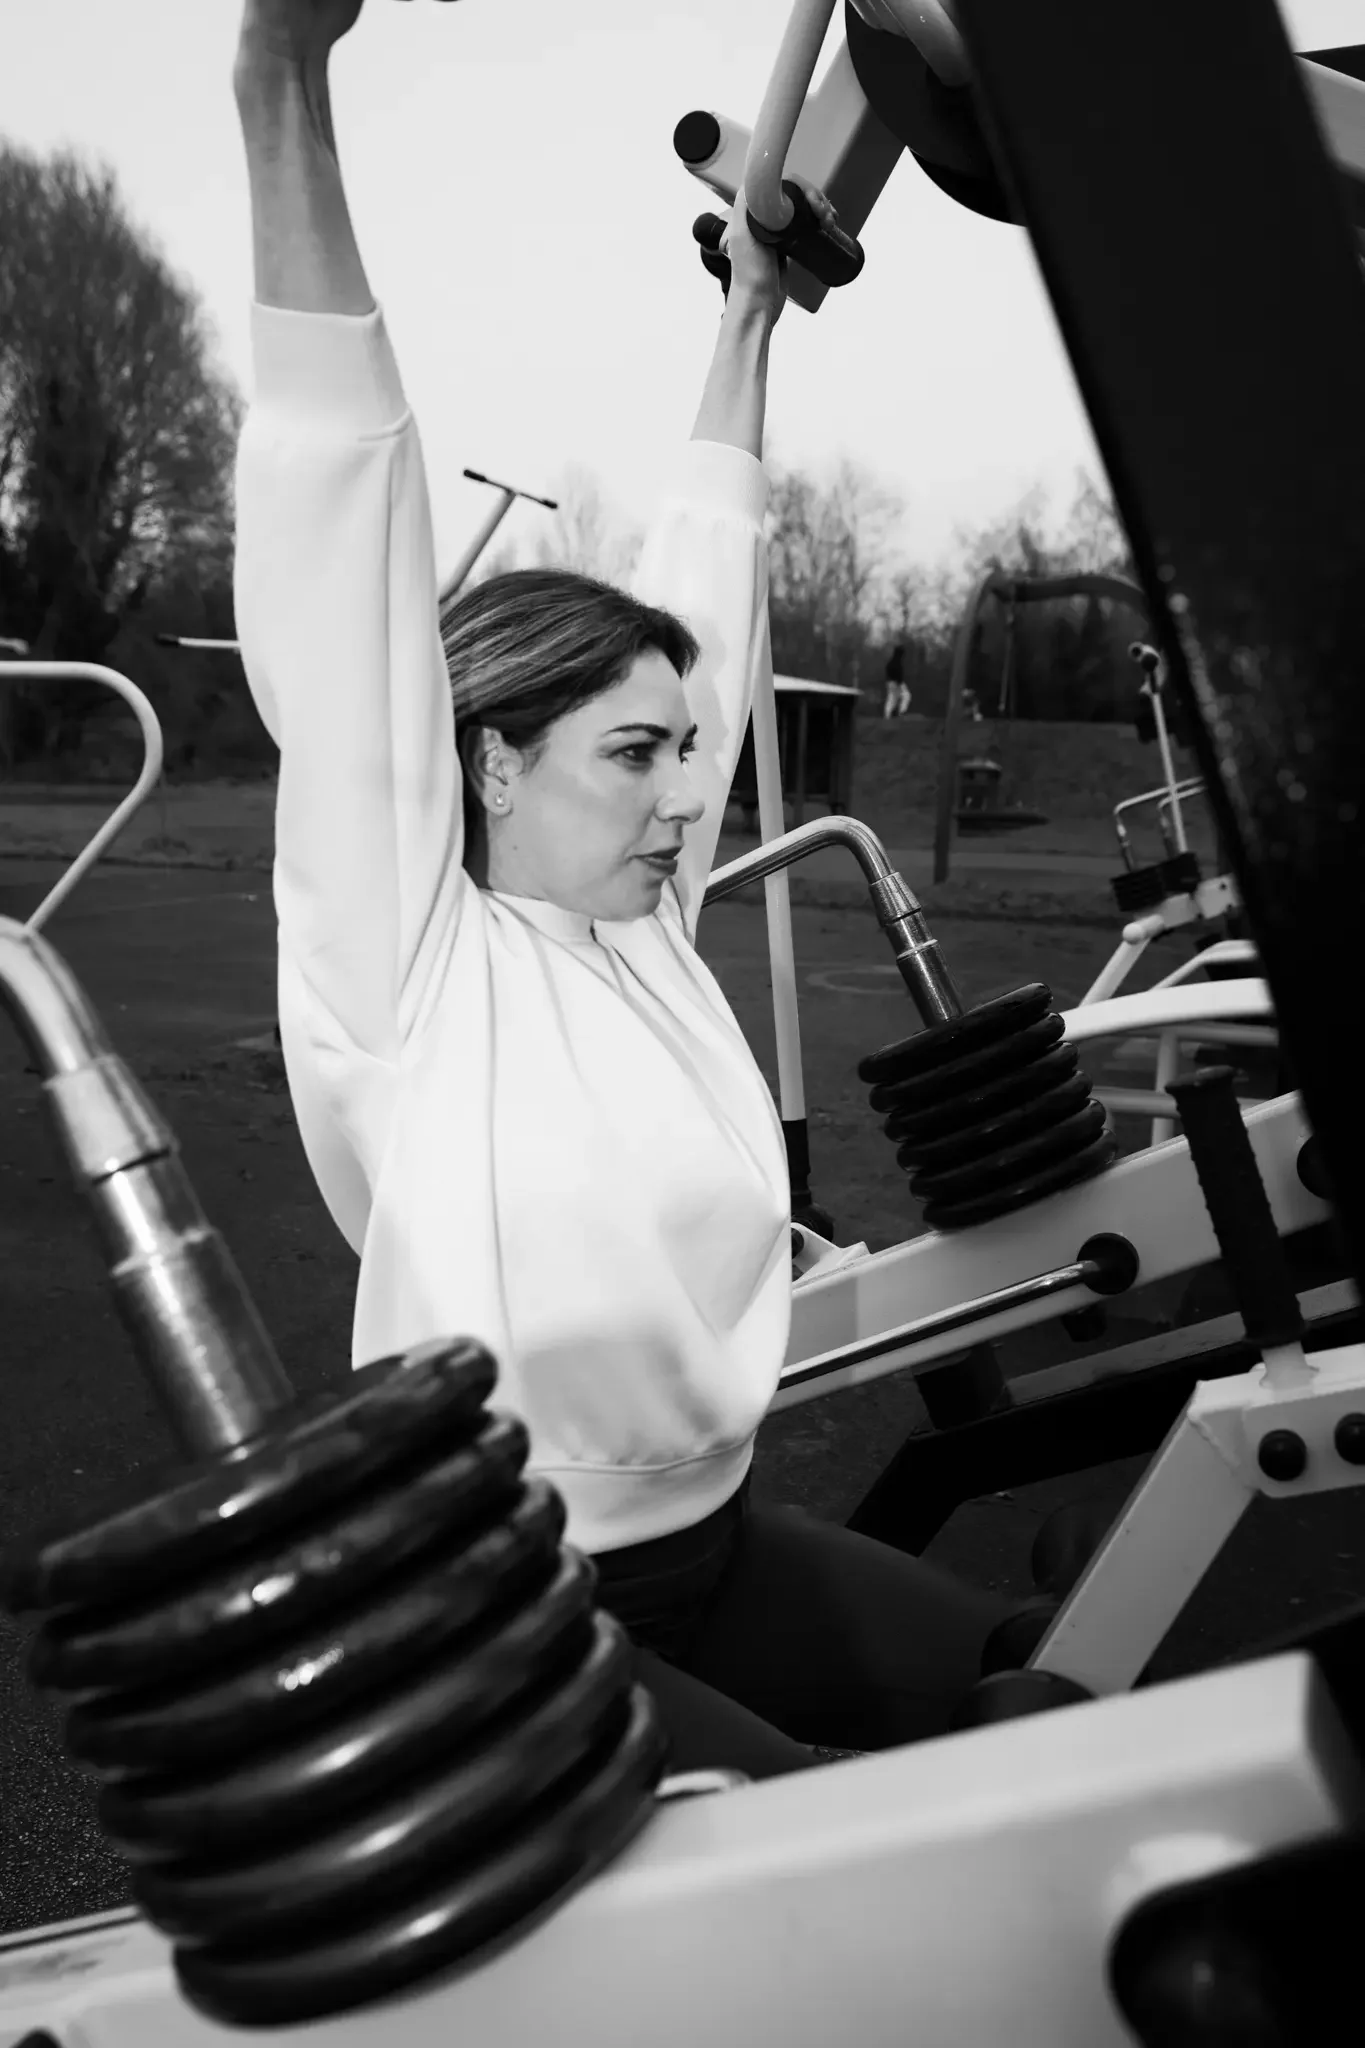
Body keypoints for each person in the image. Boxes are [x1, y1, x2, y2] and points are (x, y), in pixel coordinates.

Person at [232, 0, 1037, 1782]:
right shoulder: (412, 962)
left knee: (1045, 1695)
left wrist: (752, 315)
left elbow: (714, 571)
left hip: (713, 1545)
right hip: (513, 1605)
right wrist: (282, 76)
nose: (695, 793)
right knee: (885, 1864)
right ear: (490, 761)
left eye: (692, 748)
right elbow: (338, 495)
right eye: (638, 754)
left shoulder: (644, 927)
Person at [883, 643, 911, 718]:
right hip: (897, 682)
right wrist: (899, 683)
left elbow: (888, 673)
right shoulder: (898, 663)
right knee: (906, 696)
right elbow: (899, 675)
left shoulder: (890, 663)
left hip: (890, 682)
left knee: (891, 699)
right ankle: (901, 711)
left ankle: (887, 715)